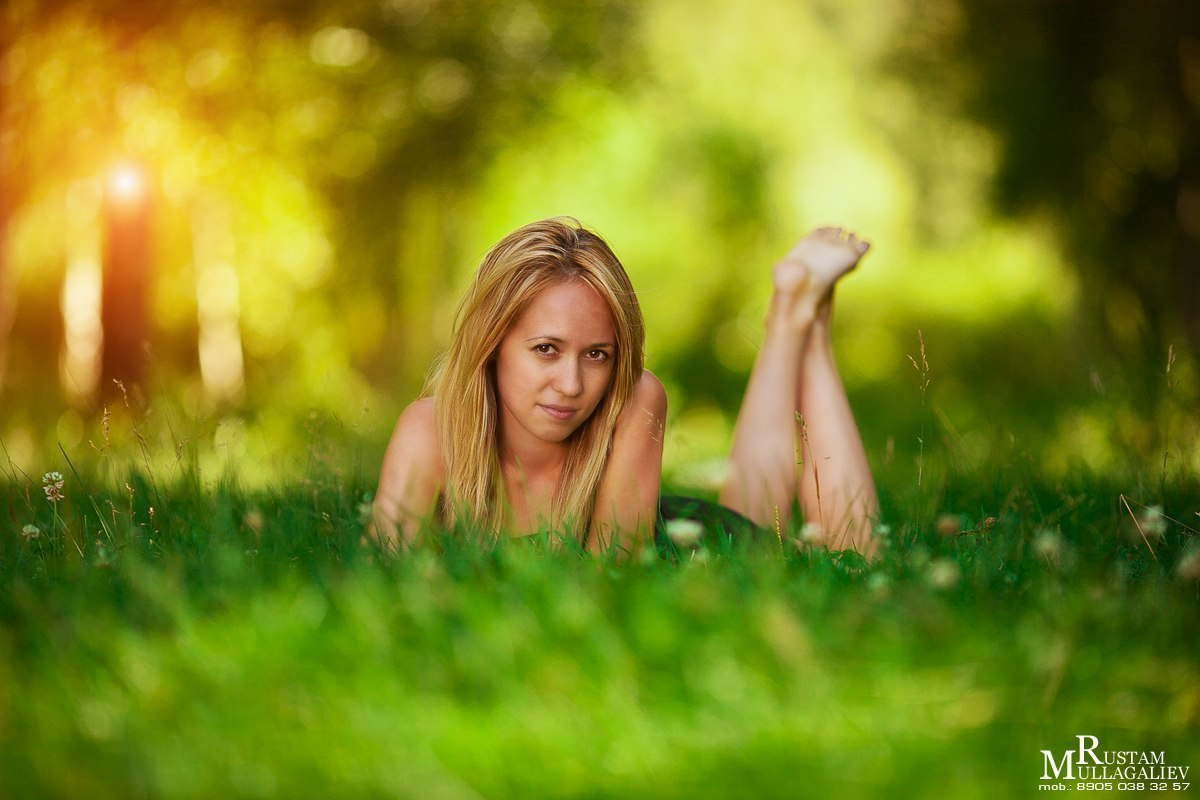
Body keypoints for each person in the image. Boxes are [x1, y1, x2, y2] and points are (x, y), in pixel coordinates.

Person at [369, 217, 879, 559]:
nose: (571, 385)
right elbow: (384, 584)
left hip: (681, 558)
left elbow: (613, 579)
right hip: (684, 555)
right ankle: (793, 315)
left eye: (597, 355)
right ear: (491, 343)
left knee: (850, 557)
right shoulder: (429, 431)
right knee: (752, 518)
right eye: (546, 349)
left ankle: (808, 329)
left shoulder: (636, 399)